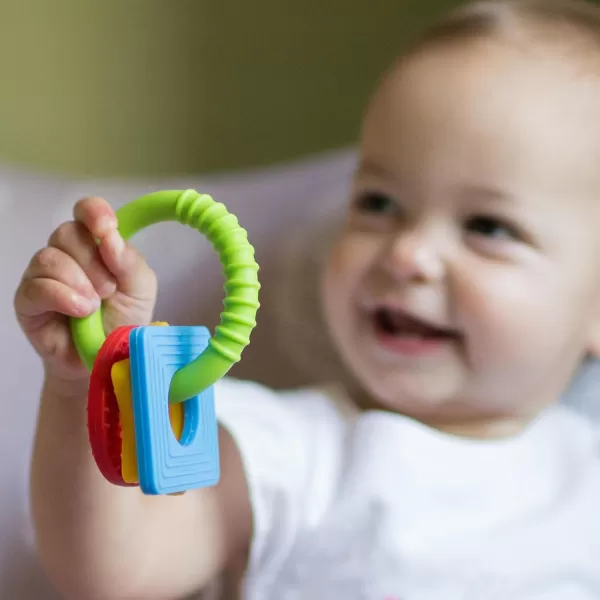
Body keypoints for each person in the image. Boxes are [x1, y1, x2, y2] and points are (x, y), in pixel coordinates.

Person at [14, 1, 600, 598]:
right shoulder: (286, 453)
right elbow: (112, 576)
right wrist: (84, 378)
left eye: (488, 226)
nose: (406, 254)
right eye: (378, 203)